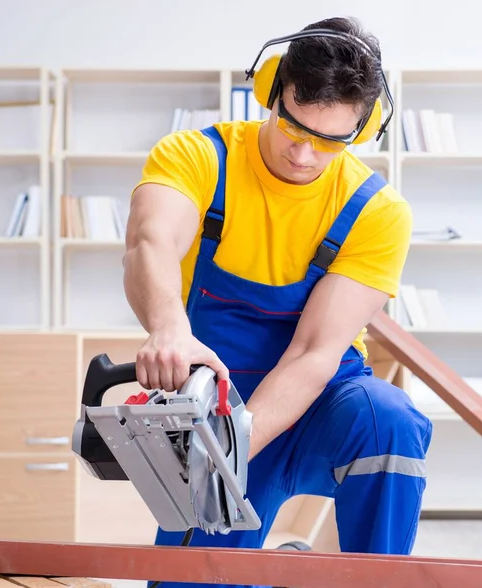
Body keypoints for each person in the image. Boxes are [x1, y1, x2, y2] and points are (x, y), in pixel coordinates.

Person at [123, 15, 432, 588]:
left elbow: (315, 353)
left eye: (330, 141)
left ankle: (375, 581)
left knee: (388, 419)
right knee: (193, 581)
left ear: (361, 131)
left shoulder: (377, 211)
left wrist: (229, 454)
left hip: (320, 402)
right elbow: (151, 240)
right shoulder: (198, 157)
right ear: (270, 91)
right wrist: (168, 327)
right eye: (294, 126)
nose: (305, 155)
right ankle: (285, 573)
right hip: (218, 400)